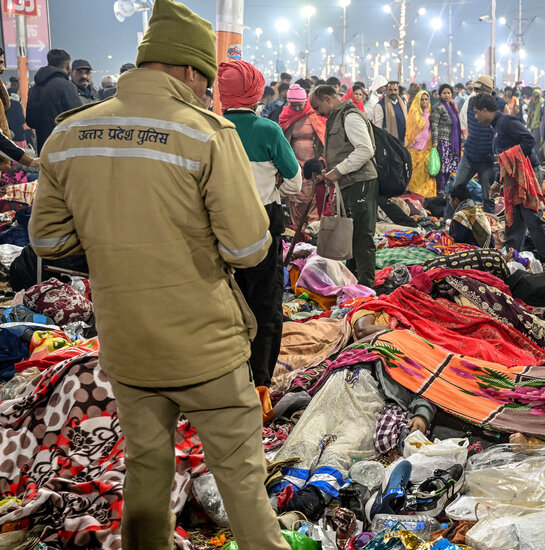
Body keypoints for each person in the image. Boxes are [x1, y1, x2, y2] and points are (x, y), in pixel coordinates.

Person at [27, 1, 290, 548]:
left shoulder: (69, 135)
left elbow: (47, 241)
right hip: (205, 348)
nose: (206, 92)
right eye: (206, 80)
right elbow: (247, 248)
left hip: (126, 345)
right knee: (242, 482)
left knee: (146, 471)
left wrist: (110, 249)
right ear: (190, 70)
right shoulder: (204, 135)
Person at [217, 60, 302, 389]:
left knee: (225, 304)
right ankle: (260, 382)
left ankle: (226, 377)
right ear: (255, 94)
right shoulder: (269, 130)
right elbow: (294, 182)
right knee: (264, 305)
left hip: (219, 226)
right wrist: (273, 183)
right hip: (263, 223)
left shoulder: (212, 127)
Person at [310, 84, 379, 288]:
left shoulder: (350, 116)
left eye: (317, 107)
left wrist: (338, 171)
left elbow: (365, 150)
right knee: (352, 233)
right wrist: (331, 172)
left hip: (361, 182)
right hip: (350, 182)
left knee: (362, 235)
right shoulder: (337, 117)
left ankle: (366, 285)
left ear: (328, 99)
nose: (317, 113)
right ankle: (354, 280)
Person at [475, 92, 545, 263]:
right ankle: (513, 258)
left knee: (532, 217)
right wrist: (498, 182)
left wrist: (511, 157)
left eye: (476, 112)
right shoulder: (496, 126)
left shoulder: (506, 121)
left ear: (484, 110)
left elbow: (529, 140)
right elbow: (503, 159)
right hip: (513, 178)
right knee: (514, 220)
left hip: (527, 174)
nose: (476, 117)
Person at [451, 75, 506, 213]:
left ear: (489, 91)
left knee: (488, 195)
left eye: (480, 91)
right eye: (476, 90)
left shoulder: (501, 104)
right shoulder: (471, 102)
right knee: (456, 189)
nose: (477, 93)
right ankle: (451, 220)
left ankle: (488, 226)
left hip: (487, 160)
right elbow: (468, 125)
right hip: (469, 155)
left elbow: (503, 132)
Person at [279, 83, 327, 230]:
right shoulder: (285, 116)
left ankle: (313, 227)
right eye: (294, 105)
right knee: (295, 193)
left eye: (300, 105)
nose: (298, 108)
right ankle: (297, 228)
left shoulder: (314, 114)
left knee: (313, 194)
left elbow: (323, 136)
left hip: (313, 163)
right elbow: (281, 140)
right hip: (294, 162)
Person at [25, 49, 81, 150]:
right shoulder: (67, 86)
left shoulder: (34, 88)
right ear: (68, 65)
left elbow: (30, 122)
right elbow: (79, 118)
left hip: (43, 148)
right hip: (64, 147)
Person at [430, 83, 461, 196]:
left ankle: (443, 188)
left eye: (449, 93)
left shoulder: (452, 106)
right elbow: (434, 125)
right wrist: (435, 141)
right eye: (444, 93)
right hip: (442, 141)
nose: (447, 95)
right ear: (440, 94)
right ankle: (440, 190)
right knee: (443, 167)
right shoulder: (438, 107)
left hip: (452, 141)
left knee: (449, 167)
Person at [405, 90, 436, 197]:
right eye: (422, 100)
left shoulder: (430, 112)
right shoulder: (414, 113)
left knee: (425, 174)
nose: (424, 102)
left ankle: (425, 195)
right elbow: (421, 124)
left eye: (426, 99)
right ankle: (415, 195)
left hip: (426, 148)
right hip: (415, 148)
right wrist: (426, 112)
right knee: (415, 175)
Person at [447, 180, 493, 247]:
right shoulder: (477, 209)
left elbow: (457, 240)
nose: (450, 203)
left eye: (450, 200)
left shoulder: (461, 216)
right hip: (488, 248)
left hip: (476, 251)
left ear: (456, 201)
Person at [525, 88, 543, 163]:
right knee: (532, 141)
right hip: (531, 124)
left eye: (537, 94)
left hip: (537, 125)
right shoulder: (532, 102)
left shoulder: (541, 102)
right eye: (534, 94)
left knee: (536, 142)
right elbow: (529, 111)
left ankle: (536, 159)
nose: (535, 96)